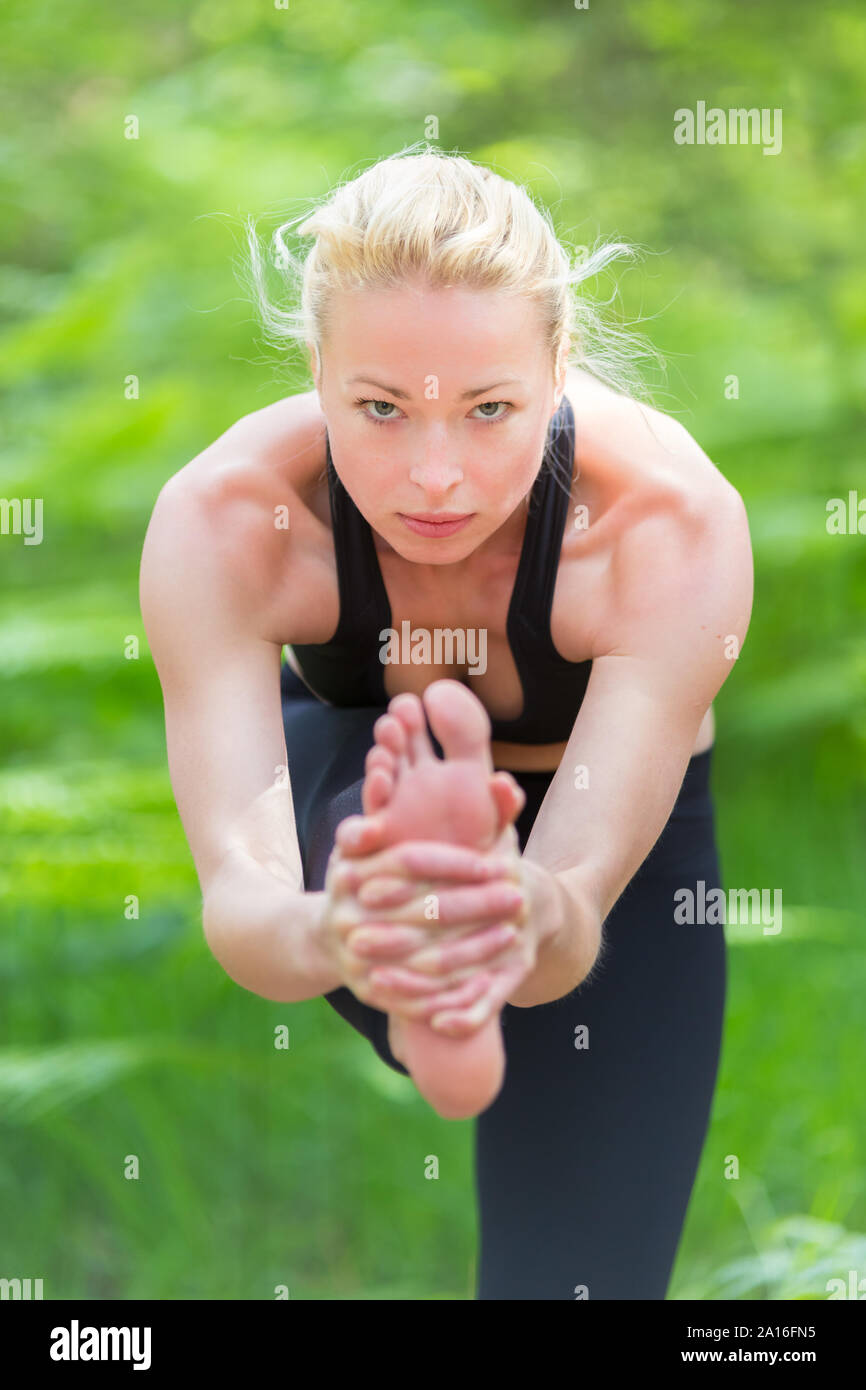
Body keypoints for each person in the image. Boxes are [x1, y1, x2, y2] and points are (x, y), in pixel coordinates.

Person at [139, 145, 753, 1299]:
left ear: (558, 367)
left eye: (487, 411)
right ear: (315, 372)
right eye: (378, 408)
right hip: (353, 814)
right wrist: (339, 934)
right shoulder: (230, 522)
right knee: (404, 859)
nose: (433, 476)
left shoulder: (663, 529)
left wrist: (521, 906)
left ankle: (450, 930)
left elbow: (567, 923)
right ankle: (424, 911)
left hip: (612, 858)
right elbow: (245, 895)